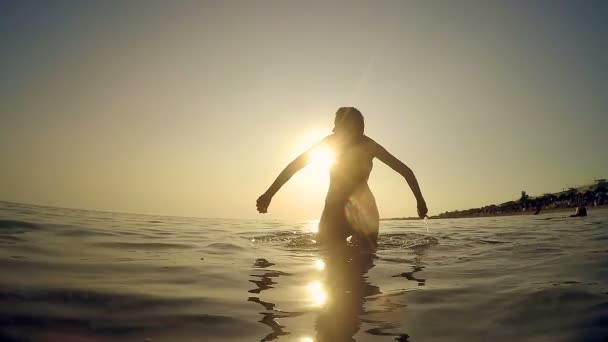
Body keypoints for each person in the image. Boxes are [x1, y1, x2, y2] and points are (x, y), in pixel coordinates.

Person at [256, 107, 428, 247]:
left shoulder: (351, 144)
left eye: (336, 125)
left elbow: (294, 167)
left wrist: (269, 194)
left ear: (350, 127)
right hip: (350, 208)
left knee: (336, 262)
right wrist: (420, 201)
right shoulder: (358, 144)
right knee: (357, 262)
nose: (333, 129)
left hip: (350, 209)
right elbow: (407, 171)